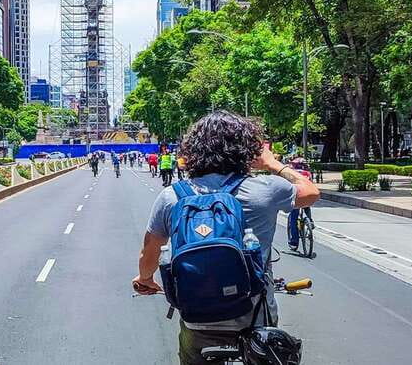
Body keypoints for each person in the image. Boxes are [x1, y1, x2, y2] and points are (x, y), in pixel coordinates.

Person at [132, 111, 320, 364]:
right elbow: (311, 191)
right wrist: (273, 164)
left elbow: (150, 252)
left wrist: (145, 279)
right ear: (246, 150)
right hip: (254, 317)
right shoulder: (265, 190)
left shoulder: (171, 196)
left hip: (197, 319)